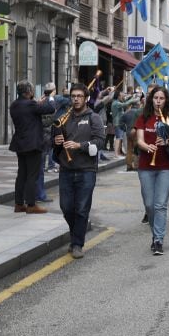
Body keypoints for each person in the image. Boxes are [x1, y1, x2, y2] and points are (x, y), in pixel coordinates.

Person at [51, 84, 105, 259]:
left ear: (86, 98)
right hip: (66, 169)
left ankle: (77, 244)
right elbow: (52, 141)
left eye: (79, 96)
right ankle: (76, 235)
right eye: (73, 96)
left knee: (81, 208)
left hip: (86, 170)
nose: (75, 99)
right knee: (66, 207)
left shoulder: (94, 118)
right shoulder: (63, 117)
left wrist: (80, 146)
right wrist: (56, 141)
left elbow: (99, 142)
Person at [134, 85, 169, 255]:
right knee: (149, 205)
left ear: (166, 100)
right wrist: (146, 146)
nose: (158, 101)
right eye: (155, 98)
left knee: (160, 204)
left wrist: (167, 142)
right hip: (146, 165)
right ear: (151, 99)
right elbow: (139, 140)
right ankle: (155, 234)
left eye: (161, 98)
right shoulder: (144, 117)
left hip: (167, 167)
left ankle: (158, 240)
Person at [7, 80, 55, 214]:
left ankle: (18, 203)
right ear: (29, 92)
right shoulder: (31, 104)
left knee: (21, 174)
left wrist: (37, 102)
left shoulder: (14, 105)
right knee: (32, 175)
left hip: (20, 143)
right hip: (32, 144)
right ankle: (31, 204)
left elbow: (32, 111)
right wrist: (50, 97)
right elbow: (50, 109)